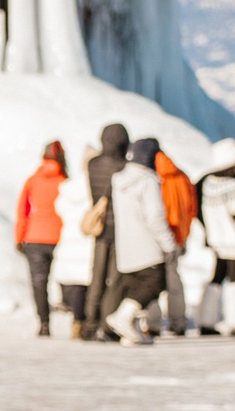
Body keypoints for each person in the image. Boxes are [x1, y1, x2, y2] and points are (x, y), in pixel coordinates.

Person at [103, 138, 180, 346]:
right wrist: (168, 244)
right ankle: (123, 317)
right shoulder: (147, 180)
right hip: (147, 245)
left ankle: (132, 333)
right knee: (155, 283)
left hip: (125, 246)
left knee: (134, 286)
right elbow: (154, 216)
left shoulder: (118, 180)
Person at [194, 140, 235, 335]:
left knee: (216, 279)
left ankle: (206, 319)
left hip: (216, 240)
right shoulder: (231, 186)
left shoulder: (206, 183)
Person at [81, 123, 130, 341]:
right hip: (119, 228)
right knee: (115, 279)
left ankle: (89, 322)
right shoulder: (125, 166)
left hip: (100, 228)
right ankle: (107, 323)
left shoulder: (93, 164)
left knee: (97, 276)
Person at [14, 141, 68, 336]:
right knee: (65, 277)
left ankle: (44, 323)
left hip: (35, 237)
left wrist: (19, 238)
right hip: (60, 237)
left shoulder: (33, 181)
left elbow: (23, 211)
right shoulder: (65, 181)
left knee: (39, 282)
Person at [55, 147, 98, 338]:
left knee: (75, 286)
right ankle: (89, 321)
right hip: (88, 241)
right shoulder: (97, 185)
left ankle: (77, 321)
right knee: (90, 284)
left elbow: (60, 209)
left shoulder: (69, 187)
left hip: (70, 240)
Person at [154, 145, 197, 335]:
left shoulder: (153, 177)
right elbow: (192, 209)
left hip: (157, 236)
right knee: (174, 279)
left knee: (152, 279)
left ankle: (153, 323)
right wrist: (184, 232)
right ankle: (178, 321)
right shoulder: (183, 176)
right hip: (178, 235)